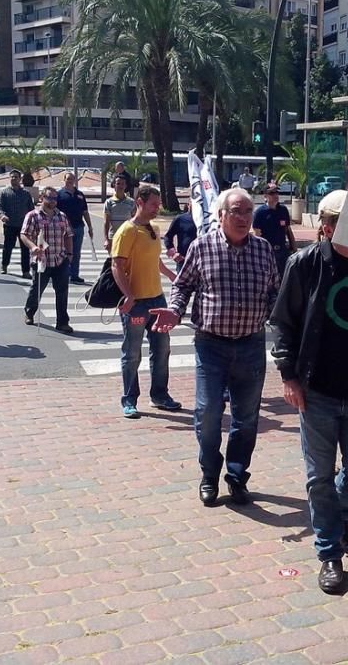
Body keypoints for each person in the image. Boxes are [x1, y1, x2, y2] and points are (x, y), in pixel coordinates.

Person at [270, 189, 348, 594]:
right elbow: (283, 323)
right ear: (327, 227)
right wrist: (288, 376)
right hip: (315, 388)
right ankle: (329, 554)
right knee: (319, 477)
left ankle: (339, 513)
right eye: (344, 222)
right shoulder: (304, 265)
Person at [150, 188, 280, 507]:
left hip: (250, 345)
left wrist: (287, 320)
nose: (244, 218)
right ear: (220, 215)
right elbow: (182, 286)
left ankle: (236, 476)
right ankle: (209, 473)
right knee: (208, 412)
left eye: (248, 211)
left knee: (246, 417)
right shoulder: (201, 247)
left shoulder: (263, 250)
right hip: (211, 346)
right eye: (236, 211)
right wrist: (176, 311)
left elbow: (275, 293)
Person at [112, 186, 181, 419]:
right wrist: (128, 295)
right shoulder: (126, 231)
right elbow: (117, 266)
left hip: (157, 299)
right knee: (132, 353)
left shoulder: (153, 228)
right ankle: (129, 400)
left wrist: (172, 276)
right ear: (140, 202)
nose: (157, 208)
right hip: (136, 303)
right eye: (153, 204)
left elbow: (155, 260)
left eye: (158, 204)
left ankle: (160, 395)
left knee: (162, 349)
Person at [20, 186, 74, 334]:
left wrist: (70, 254)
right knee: (37, 289)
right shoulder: (33, 216)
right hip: (41, 260)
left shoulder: (61, 216)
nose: (52, 201)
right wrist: (33, 247)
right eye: (49, 198)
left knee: (62, 292)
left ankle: (62, 322)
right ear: (41, 198)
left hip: (60, 259)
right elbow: (24, 235)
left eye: (55, 198)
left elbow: (68, 235)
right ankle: (29, 312)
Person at [0, 170, 35, 279]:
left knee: (25, 249)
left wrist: (33, 222)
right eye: (12, 177)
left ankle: (26, 271)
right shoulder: (4, 193)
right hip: (10, 225)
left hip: (24, 226)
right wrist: (2, 216)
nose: (14, 179)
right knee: (8, 247)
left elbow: (31, 209)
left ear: (20, 179)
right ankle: (4, 265)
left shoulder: (26, 193)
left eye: (16, 177)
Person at [253, 182, 296, 277]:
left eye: (277, 192)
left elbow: (288, 230)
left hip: (283, 251)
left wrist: (294, 248)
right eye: (272, 193)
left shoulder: (283, 210)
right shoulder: (260, 213)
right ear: (265, 196)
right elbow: (257, 234)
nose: (275, 195)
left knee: (286, 277)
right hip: (267, 252)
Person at [57, 172, 93, 284]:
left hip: (78, 227)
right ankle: (63, 274)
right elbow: (55, 212)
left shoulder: (80, 195)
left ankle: (74, 275)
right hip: (64, 229)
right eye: (68, 179)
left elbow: (85, 212)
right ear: (64, 180)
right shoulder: (59, 194)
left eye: (72, 179)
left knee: (76, 253)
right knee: (64, 252)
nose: (70, 181)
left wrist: (90, 226)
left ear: (75, 180)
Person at [104, 175, 136, 253]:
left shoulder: (131, 202)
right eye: (118, 183)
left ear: (125, 186)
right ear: (114, 185)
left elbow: (135, 221)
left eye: (122, 184)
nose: (120, 186)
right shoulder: (109, 202)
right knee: (114, 263)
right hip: (113, 237)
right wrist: (106, 239)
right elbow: (106, 222)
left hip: (128, 237)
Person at [163, 202, 197, 273]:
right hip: (183, 260)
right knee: (181, 283)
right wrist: (173, 253)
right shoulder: (180, 219)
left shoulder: (207, 220)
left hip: (202, 261)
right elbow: (168, 236)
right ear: (189, 204)